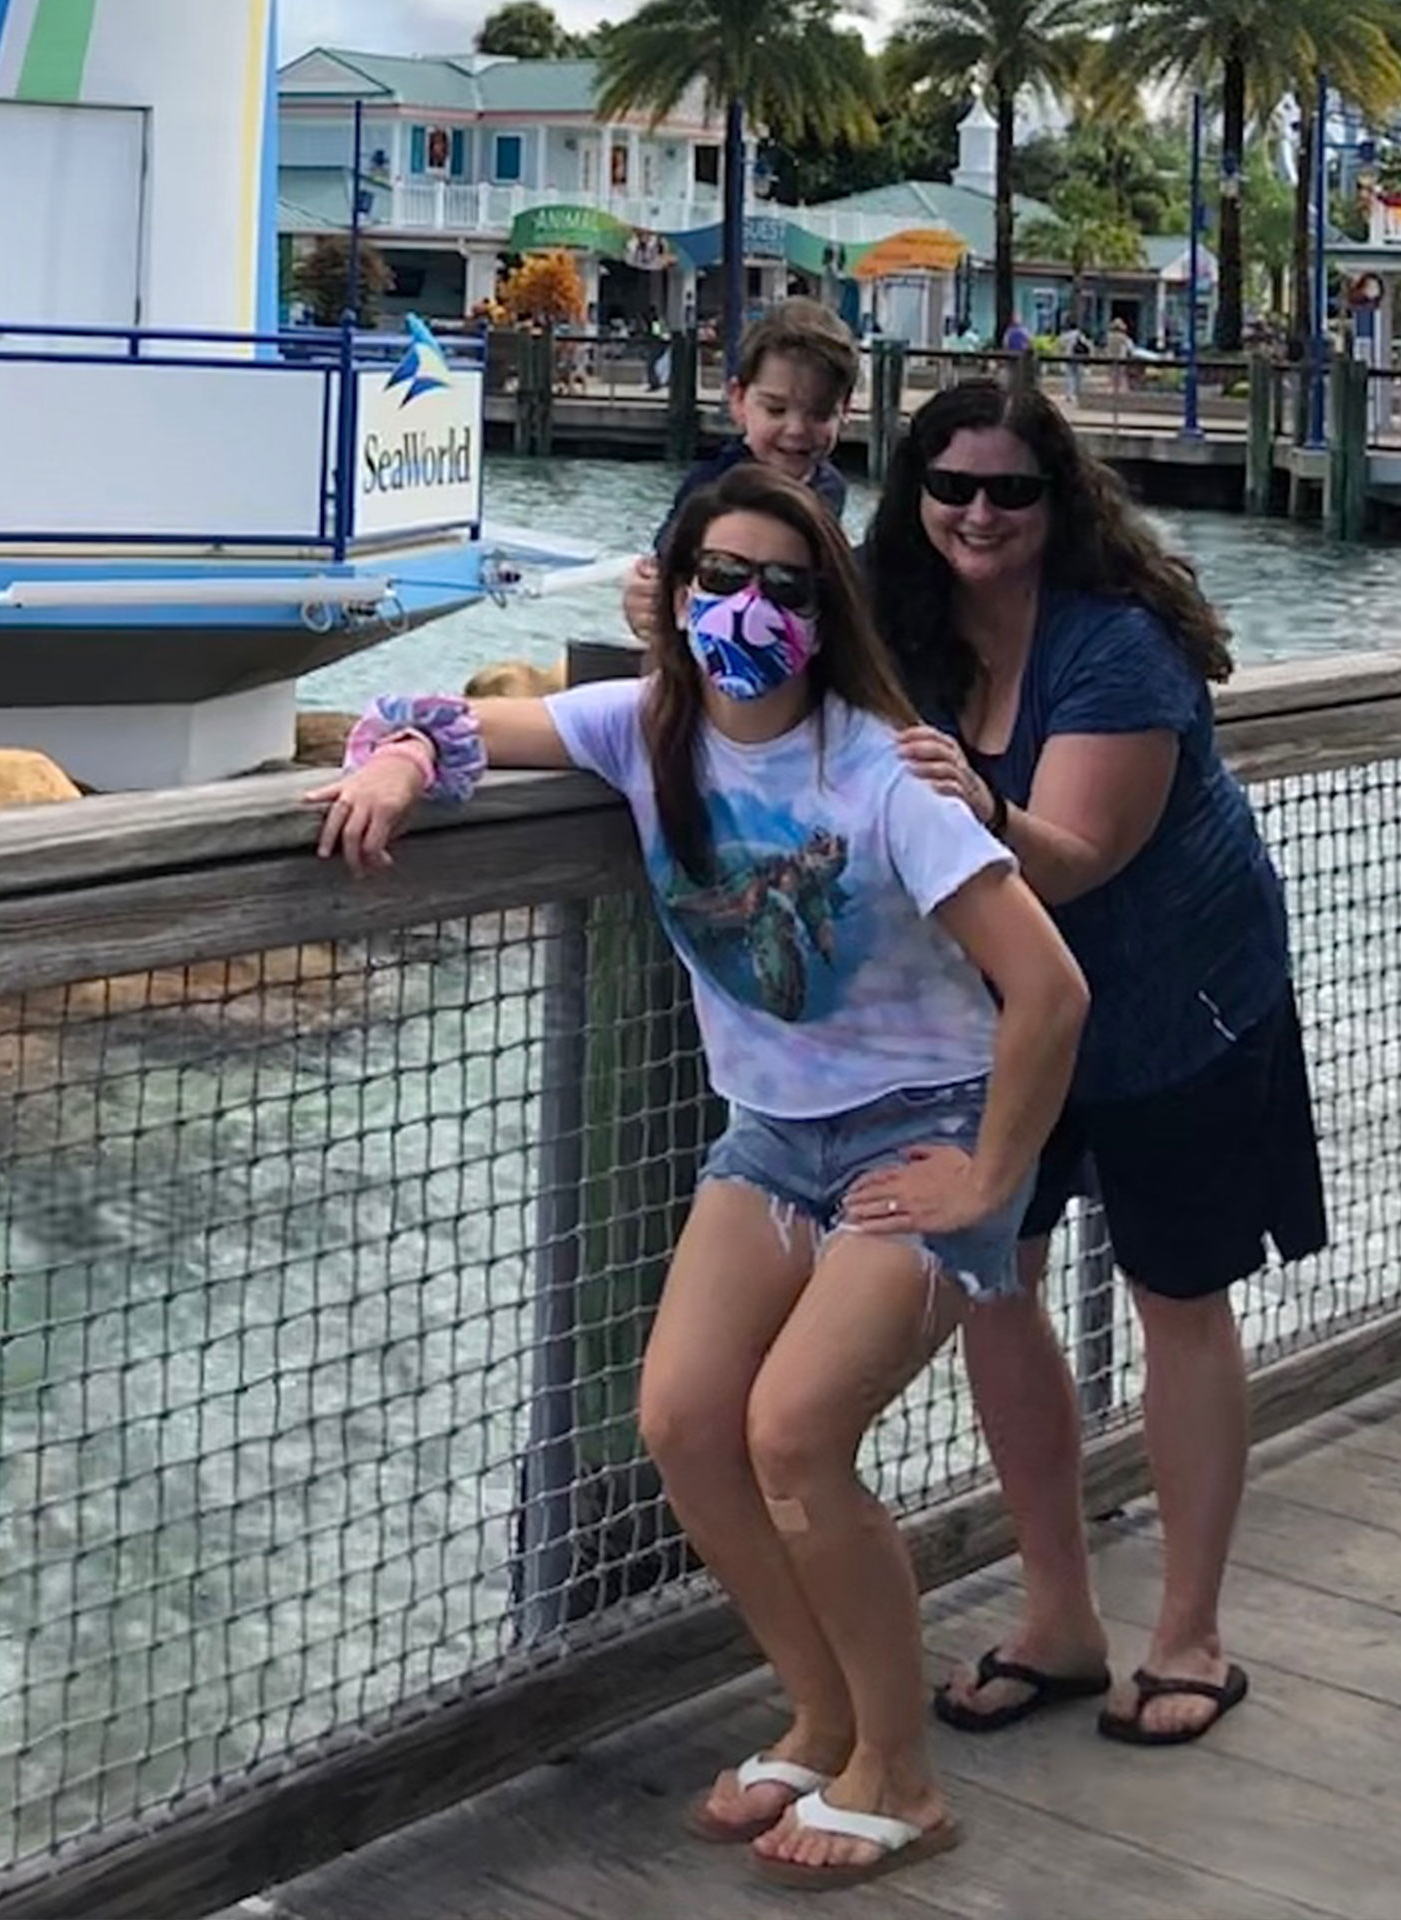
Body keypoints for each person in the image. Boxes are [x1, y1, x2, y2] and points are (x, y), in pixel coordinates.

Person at [308, 465, 1088, 1889]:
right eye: (719, 575)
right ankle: (823, 1712)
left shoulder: (879, 770)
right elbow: (447, 716)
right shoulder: (647, 726)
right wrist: (399, 762)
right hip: (771, 1137)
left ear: (826, 610)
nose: (750, 609)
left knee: (794, 1432)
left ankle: (900, 1775)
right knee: (680, 1420)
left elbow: (1050, 987)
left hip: (921, 1126)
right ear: (671, 589)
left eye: (786, 587)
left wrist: (990, 1179)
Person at [863, 379, 1329, 1748]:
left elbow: (1070, 856)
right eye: (951, 486)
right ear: (916, 496)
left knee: (1177, 1294)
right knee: (995, 1279)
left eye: (1012, 489)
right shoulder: (913, 634)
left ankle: (1189, 1632)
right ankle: (1058, 1618)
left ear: (1059, 503)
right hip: (1017, 1015)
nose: (979, 513)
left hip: (1183, 1003)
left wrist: (976, 792)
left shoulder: (1117, 649)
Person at [652, 296, 857, 544]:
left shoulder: (831, 487)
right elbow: (670, 555)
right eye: (776, 410)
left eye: (820, 413)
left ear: (844, 409)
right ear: (739, 399)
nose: (796, 429)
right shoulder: (712, 487)